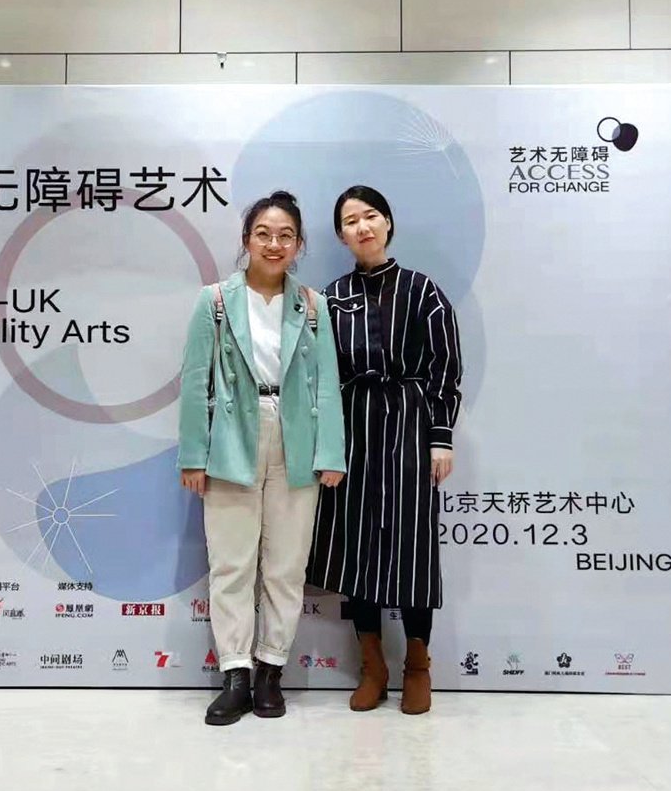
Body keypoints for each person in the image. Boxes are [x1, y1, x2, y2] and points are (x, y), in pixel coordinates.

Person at [178, 191, 346, 726]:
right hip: (232, 436)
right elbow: (194, 381)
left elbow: (326, 389)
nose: (274, 244)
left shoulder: (312, 305)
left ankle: (272, 669)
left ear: (299, 245)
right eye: (264, 234)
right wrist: (192, 455)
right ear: (247, 239)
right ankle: (236, 674)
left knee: (286, 564)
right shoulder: (217, 301)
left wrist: (331, 452)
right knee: (231, 562)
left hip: (296, 437)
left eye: (286, 236)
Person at [307, 185, 463, 715]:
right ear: (340, 234)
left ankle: (417, 664)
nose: (363, 227)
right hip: (354, 430)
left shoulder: (424, 292)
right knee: (358, 550)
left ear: (389, 223)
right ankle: (372, 665)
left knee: (413, 545)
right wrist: (327, 445)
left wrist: (441, 437)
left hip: (412, 428)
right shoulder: (331, 297)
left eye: (371, 216)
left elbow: (446, 370)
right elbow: (322, 379)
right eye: (351, 221)